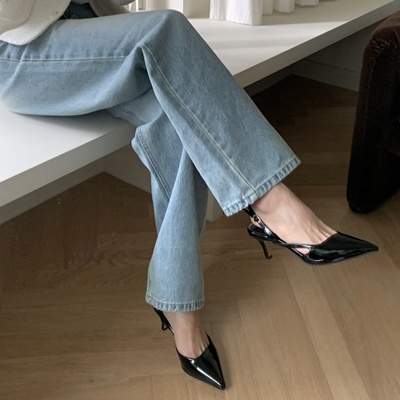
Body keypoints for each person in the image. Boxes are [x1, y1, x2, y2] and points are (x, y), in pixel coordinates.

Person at [0, 0, 378, 390]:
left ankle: (177, 304)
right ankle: (269, 201)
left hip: (90, 30)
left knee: (176, 119)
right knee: (167, 27)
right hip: (20, 55)